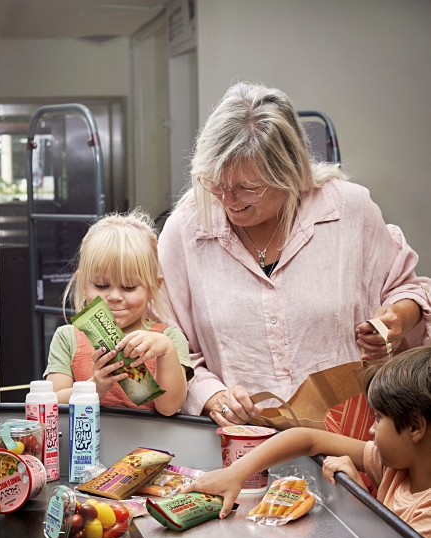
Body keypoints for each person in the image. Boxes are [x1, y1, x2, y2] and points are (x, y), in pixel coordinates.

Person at [158, 82, 431, 425]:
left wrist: (399, 319)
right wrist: (210, 394)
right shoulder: (185, 232)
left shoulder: (349, 210)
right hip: (239, 441)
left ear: (289, 173)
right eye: (216, 182)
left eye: (247, 188)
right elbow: (167, 342)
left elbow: (406, 288)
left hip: (347, 437)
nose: (228, 200)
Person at [183, 347, 431, 538]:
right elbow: (308, 439)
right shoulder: (393, 464)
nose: (371, 429)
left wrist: (359, 497)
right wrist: (235, 473)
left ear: (415, 427)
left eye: (377, 418)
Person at [44, 210, 193, 415]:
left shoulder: (168, 339)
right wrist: (94, 386)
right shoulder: (68, 338)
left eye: (129, 287)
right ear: (83, 285)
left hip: (150, 446)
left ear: (153, 288)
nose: (114, 296)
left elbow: (169, 407)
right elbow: (51, 404)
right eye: (101, 285)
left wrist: (165, 351)